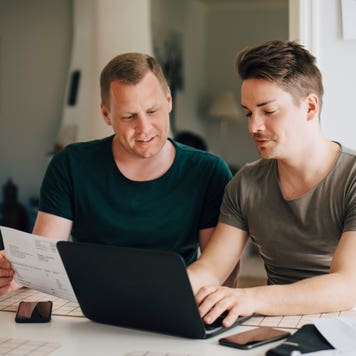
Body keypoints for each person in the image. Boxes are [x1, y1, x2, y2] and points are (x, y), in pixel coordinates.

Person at [0, 52, 235, 296]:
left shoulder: (209, 172)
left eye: (152, 111)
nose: (144, 128)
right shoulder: (70, 165)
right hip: (88, 306)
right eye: (128, 116)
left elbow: (219, 274)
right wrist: (13, 274)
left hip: (173, 302)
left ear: (168, 101)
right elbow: (44, 263)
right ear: (106, 114)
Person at [188, 39, 356, 327]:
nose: (254, 127)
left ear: (310, 107)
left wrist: (251, 298)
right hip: (272, 326)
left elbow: (347, 286)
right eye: (248, 113)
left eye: (268, 111)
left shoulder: (351, 178)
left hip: (344, 328)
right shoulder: (246, 183)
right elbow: (211, 269)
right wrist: (156, 292)